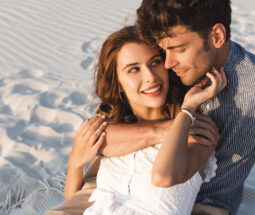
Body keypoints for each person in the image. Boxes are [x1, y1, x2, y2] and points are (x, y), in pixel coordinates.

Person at [98, 0, 255, 215]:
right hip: (132, 195)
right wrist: (170, 128)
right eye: (165, 51)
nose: (167, 63)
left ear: (216, 36)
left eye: (179, 49)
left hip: (204, 205)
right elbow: (101, 135)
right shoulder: (162, 63)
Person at [45, 25, 228, 215]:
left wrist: (187, 110)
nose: (150, 77)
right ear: (118, 84)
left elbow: (163, 176)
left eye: (155, 62)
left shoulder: (196, 130)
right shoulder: (118, 134)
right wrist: (75, 163)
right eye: (134, 69)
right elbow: (82, 198)